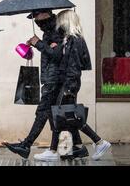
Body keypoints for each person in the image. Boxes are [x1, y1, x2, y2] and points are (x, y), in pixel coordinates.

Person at [3, 10, 84, 159]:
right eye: (34, 17)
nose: (35, 20)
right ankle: (69, 149)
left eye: (36, 16)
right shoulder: (49, 31)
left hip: (55, 79)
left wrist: (38, 43)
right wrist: (39, 45)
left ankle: (27, 145)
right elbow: (51, 52)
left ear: (45, 14)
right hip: (51, 78)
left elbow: (58, 55)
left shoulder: (57, 29)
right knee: (54, 115)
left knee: (45, 113)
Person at [34, 10, 111, 161]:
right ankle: (82, 146)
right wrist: (58, 47)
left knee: (63, 116)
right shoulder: (70, 40)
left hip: (70, 83)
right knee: (68, 117)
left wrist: (69, 87)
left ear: (66, 21)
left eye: (60, 21)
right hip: (69, 83)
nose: (58, 25)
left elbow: (74, 66)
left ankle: (55, 150)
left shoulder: (75, 40)